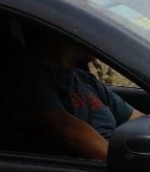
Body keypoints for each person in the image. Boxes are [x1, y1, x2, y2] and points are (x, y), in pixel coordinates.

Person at [17, 28, 143, 160]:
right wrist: (128, 165)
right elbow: (66, 130)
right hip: (96, 171)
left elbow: (138, 120)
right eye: (90, 30)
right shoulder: (28, 79)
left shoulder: (85, 80)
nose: (97, 38)